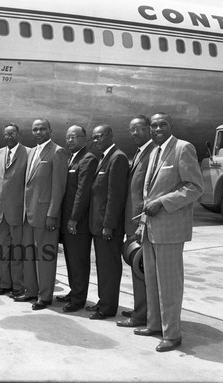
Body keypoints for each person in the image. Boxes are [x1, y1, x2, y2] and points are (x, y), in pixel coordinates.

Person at [134, 113, 203, 352]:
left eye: (163, 124)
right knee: (152, 280)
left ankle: (172, 334)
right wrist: (141, 224)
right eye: (153, 125)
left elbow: (194, 188)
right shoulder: (154, 152)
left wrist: (163, 202)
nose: (157, 128)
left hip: (170, 229)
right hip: (151, 228)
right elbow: (147, 194)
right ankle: (155, 324)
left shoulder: (183, 148)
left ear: (170, 126)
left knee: (170, 284)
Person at [16, 118, 68, 310]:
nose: (38, 132)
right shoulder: (31, 152)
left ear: (50, 130)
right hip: (28, 214)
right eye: (35, 129)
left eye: (42, 129)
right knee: (29, 255)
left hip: (45, 214)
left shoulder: (57, 151)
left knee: (45, 258)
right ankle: (31, 291)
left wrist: (52, 214)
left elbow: (58, 187)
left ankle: (45, 296)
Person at [87, 124, 128, 320]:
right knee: (103, 267)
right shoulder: (105, 157)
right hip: (99, 225)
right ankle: (104, 301)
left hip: (107, 227)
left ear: (111, 136)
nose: (96, 140)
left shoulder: (117, 158)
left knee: (110, 268)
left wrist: (109, 225)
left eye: (100, 136)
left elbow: (115, 196)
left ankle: (108, 308)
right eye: (94, 137)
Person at [117, 116, 154, 327]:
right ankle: (140, 307)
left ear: (148, 129)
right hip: (133, 223)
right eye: (131, 130)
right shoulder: (141, 153)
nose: (134, 133)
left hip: (142, 223)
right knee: (137, 269)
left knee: (142, 270)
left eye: (138, 129)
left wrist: (142, 221)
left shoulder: (152, 153)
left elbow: (149, 192)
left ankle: (142, 315)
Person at [58, 125, 98, 312]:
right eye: (67, 137)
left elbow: (82, 192)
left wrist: (74, 218)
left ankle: (78, 300)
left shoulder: (87, 159)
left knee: (79, 262)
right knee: (70, 260)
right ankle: (74, 292)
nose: (70, 140)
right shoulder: (71, 158)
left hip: (77, 223)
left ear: (84, 139)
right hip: (67, 221)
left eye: (74, 137)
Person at [0, 123, 28, 297]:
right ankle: (5, 284)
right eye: (6, 134)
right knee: (4, 251)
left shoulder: (28, 153)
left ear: (19, 134)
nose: (9, 136)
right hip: (0, 212)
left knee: (18, 252)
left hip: (18, 212)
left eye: (12, 133)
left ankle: (18, 286)